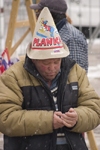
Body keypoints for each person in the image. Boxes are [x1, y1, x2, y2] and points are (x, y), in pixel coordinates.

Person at [0, 7, 100, 150]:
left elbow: (94, 109)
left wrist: (78, 117)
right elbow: (5, 118)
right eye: (46, 63)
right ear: (34, 60)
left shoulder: (75, 71)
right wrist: (48, 121)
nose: (52, 67)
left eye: (56, 61)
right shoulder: (13, 76)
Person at [30, 0, 88, 73]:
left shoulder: (73, 38)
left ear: (51, 17)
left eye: (39, 14)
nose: (36, 18)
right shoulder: (50, 34)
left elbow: (77, 75)